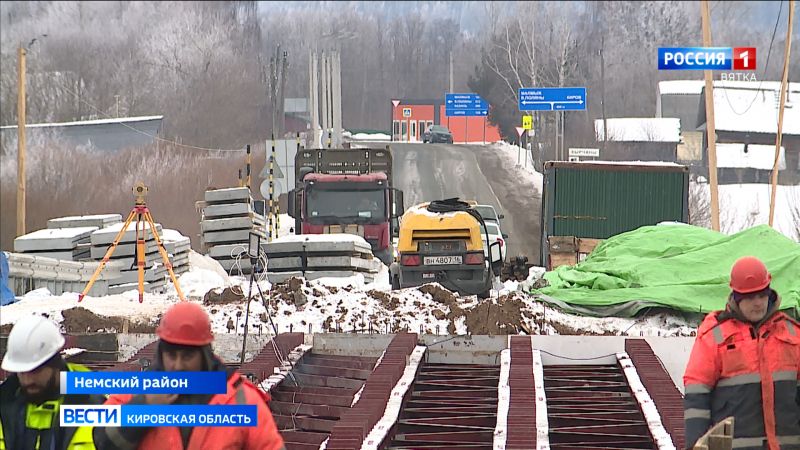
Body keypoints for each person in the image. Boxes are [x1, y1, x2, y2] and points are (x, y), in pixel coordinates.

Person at [93, 302, 285, 450]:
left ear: (204, 354)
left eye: (187, 356)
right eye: (171, 355)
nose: (177, 366)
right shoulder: (136, 392)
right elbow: (102, 441)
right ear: (161, 353)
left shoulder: (241, 399)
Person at [683, 256, 800, 449]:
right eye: (750, 297)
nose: (758, 303)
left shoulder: (792, 334)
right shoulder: (715, 337)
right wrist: (695, 445)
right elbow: (697, 398)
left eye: (762, 295)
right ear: (737, 297)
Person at [1, 314, 101, 450]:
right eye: (22, 371)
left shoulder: (95, 404)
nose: (27, 380)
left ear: (55, 363)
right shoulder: (5, 402)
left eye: (35, 371)